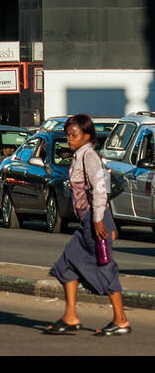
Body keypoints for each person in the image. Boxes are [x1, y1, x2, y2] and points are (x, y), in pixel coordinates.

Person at [46, 114, 130, 335]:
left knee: (104, 266)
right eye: (68, 135)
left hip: (95, 220)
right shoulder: (79, 156)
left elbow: (101, 188)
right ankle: (71, 315)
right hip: (89, 221)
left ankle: (121, 319)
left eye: (74, 135)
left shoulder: (89, 156)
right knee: (67, 265)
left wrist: (100, 221)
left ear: (87, 136)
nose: (69, 139)